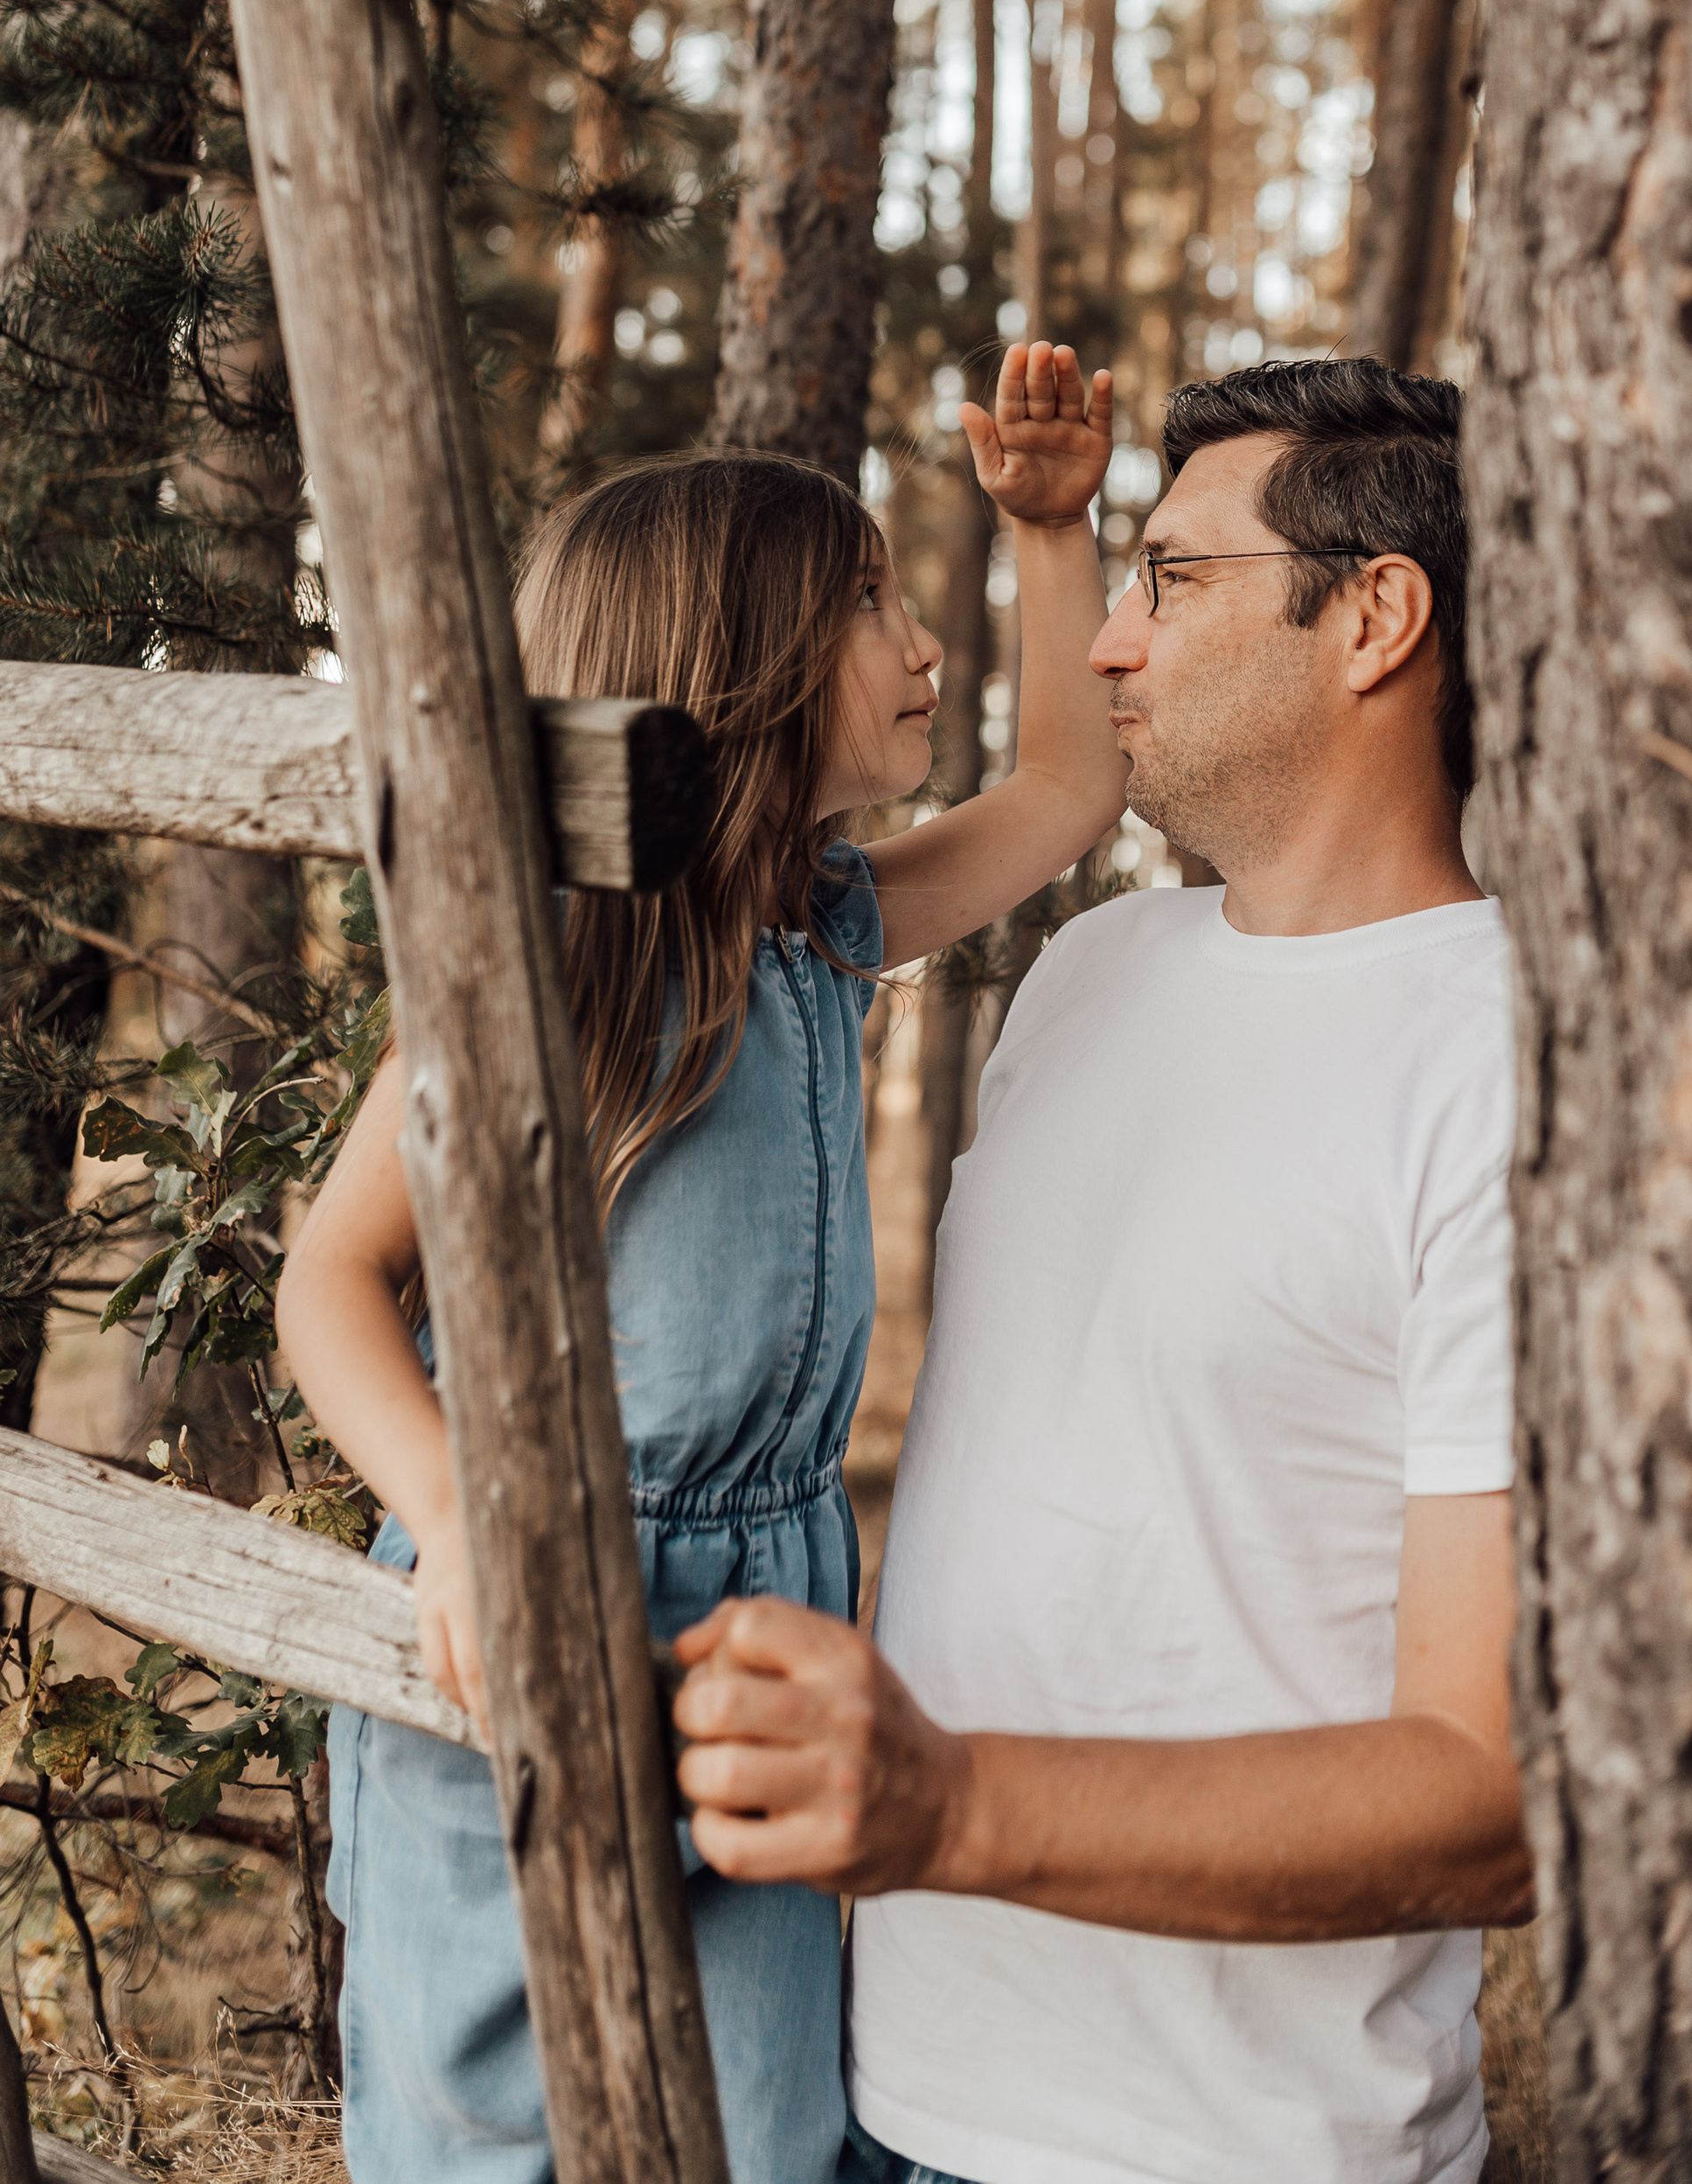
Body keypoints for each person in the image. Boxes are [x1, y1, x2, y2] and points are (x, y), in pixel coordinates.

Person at [670, 356, 1533, 2184]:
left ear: (1375, 617)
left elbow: (1493, 1793)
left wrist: (950, 1808)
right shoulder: (1088, 974)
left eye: (1172, 580)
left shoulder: (1516, 1070)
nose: (1111, 645)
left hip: (1231, 2152)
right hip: (872, 2091)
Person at [275, 345, 1130, 2184]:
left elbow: (1068, 785)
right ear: (736, 661)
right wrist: (466, 1519)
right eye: (872, 603)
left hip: (769, 1646)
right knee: (483, 2139)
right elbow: (327, 1279)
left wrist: (1052, 533)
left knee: (761, 2137)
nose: (923, 645)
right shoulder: (561, 961)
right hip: (532, 1618)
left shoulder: (827, 929)